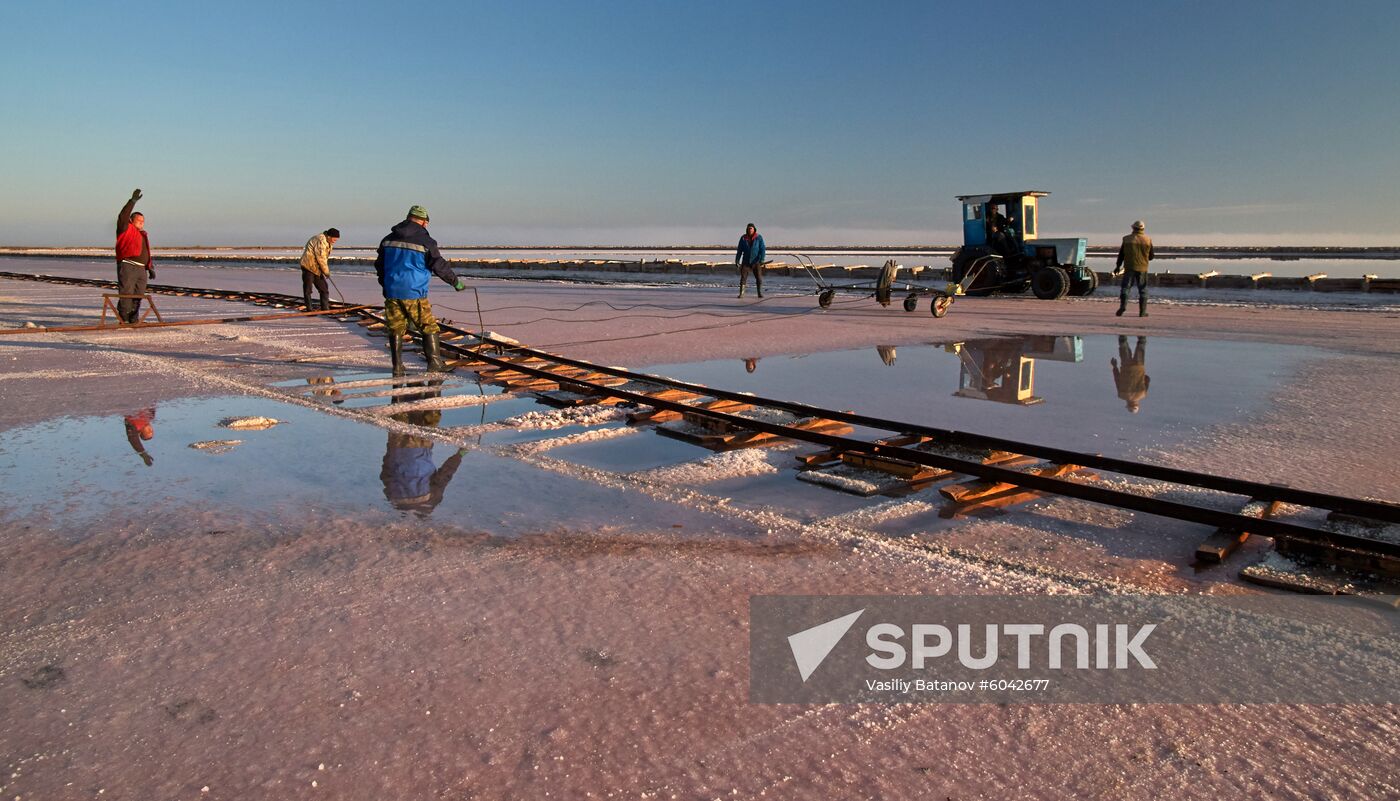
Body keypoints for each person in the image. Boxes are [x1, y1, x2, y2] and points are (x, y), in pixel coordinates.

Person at [374, 205, 466, 376]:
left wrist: (386, 284)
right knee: (429, 327)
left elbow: (379, 266)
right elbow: (439, 265)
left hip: (392, 290)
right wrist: (455, 282)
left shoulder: (387, 239)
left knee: (395, 327)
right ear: (423, 222)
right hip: (414, 291)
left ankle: (398, 366)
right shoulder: (426, 242)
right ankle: (434, 363)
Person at [379, 381, 466, 516]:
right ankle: (407, 384)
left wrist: (460, 454)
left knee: (430, 417)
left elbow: (445, 474)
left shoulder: (431, 500)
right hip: (396, 447)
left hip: (419, 446)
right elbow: (385, 473)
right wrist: (390, 450)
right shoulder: (393, 499)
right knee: (401, 413)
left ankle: (434, 384)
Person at [114, 189, 155, 324]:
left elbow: (146, 252)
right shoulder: (126, 229)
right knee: (127, 293)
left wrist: (150, 267)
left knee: (139, 294)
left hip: (141, 268)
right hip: (128, 265)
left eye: (143, 221)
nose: (141, 223)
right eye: (139, 220)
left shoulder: (143, 234)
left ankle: (133, 318)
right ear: (132, 220)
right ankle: (124, 318)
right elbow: (123, 216)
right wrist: (132, 202)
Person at [1115, 219, 1154, 317]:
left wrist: (1117, 267)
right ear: (1143, 229)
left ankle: (1123, 306)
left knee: (1125, 288)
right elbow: (1151, 256)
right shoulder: (1148, 240)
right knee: (1143, 290)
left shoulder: (1126, 239)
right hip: (1142, 268)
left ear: (1133, 228)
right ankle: (1142, 312)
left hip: (1129, 267)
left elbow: (1121, 255)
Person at [299, 227, 340, 311]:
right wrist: (326, 272)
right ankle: (309, 309)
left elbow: (323, 258)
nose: (334, 241)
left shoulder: (327, 242)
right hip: (308, 266)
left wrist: (323, 270)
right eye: (334, 239)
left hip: (317, 268)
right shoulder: (321, 240)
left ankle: (325, 308)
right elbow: (321, 258)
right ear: (329, 236)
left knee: (324, 288)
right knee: (308, 289)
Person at [1111, 335, 1151, 413]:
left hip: (1138, 368)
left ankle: (1142, 333)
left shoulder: (1143, 394)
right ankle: (1123, 336)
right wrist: (1114, 366)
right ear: (1128, 404)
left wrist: (1141, 377)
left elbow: (1147, 379)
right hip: (1126, 368)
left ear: (1137, 404)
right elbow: (1117, 379)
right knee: (1123, 346)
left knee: (1141, 345)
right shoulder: (1121, 395)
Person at [735, 223, 766, 298]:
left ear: (754, 229)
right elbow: (739, 250)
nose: (750, 230)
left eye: (751, 228)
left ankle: (760, 293)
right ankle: (741, 293)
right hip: (746, 262)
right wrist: (737, 260)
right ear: (747, 229)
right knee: (743, 278)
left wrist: (762, 259)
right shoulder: (743, 238)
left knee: (759, 277)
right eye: (749, 229)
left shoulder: (759, 237)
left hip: (756, 261)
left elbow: (762, 249)